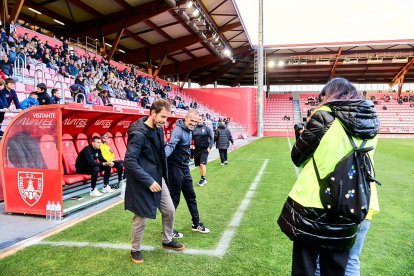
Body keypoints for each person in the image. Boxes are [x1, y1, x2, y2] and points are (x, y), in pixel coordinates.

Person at [278, 77, 380, 276]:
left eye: (322, 97)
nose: (320, 102)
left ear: (331, 94)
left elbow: (297, 157)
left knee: (305, 266)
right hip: (356, 202)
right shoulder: (370, 120)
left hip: (314, 201)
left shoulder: (324, 115)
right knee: (342, 265)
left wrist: (303, 133)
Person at [124, 99, 184, 264]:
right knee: (141, 217)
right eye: (163, 117)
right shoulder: (138, 133)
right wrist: (148, 181)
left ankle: (167, 240)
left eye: (166, 118)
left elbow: (160, 152)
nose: (165, 121)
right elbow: (129, 162)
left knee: (170, 210)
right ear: (152, 112)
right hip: (143, 181)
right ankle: (135, 250)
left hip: (157, 178)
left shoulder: (158, 127)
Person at [165, 109, 210, 237]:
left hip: (184, 168)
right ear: (186, 118)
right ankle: (169, 229)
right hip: (174, 169)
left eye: (196, 121)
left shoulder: (190, 130)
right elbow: (171, 145)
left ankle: (196, 223)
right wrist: (162, 158)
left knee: (191, 196)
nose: (193, 123)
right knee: (174, 199)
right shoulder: (178, 131)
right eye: (191, 120)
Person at [192, 116, 214, 186]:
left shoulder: (207, 128)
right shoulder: (194, 129)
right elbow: (191, 138)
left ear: (203, 120)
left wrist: (209, 147)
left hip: (205, 149)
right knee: (199, 165)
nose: (199, 121)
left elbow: (212, 138)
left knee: (202, 164)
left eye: (200, 119)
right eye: (197, 119)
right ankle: (202, 178)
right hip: (196, 149)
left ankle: (203, 179)